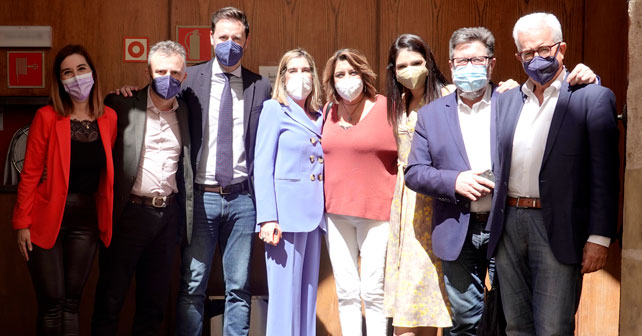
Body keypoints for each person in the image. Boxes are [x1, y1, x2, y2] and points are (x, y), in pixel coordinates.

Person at [405, 27, 598, 336]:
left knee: (514, 317)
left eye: (476, 60)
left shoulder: (513, 101)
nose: (468, 67)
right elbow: (414, 172)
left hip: (507, 226)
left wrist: (589, 78)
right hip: (458, 229)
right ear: (451, 65)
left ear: (491, 64)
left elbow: (555, 100)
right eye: (460, 61)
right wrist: (454, 180)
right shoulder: (431, 115)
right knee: (466, 321)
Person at [487, 12, 619, 335]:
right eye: (527, 53)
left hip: (558, 227)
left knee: (553, 327)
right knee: (516, 326)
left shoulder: (591, 97)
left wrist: (599, 238)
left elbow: (605, 173)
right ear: (518, 56)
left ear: (561, 49)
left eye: (543, 50)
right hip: (509, 226)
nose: (536, 59)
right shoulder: (506, 102)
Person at [177, 7, 271, 336]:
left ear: (247, 41)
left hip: (243, 200)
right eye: (223, 37)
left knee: (239, 288)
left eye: (237, 38)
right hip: (200, 200)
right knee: (193, 287)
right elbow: (157, 104)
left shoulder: (261, 86)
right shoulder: (187, 80)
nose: (229, 43)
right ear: (210, 38)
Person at [12, 44, 117, 335]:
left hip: (87, 221)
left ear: (92, 72)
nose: (76, 77)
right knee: (51, 301)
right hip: (46, 218)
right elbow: (30, 173)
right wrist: (22, 223)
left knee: (72, 301)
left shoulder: (109, 118)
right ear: (60, 81)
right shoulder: (47, 117)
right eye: (67, 73)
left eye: (81, 69)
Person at [91, 40, 191, 335]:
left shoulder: (186, 111)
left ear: (184, 75)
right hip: (128, 215)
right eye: (161, 71)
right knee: (110, 299)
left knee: (154, 304)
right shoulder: (121, 103)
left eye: (175, 72)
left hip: (167, 217)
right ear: (148, 71)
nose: (168, 78)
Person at [322, 48, 397, 336]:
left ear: (364, 75)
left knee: (373, 290)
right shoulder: (328, 111)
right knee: (347, 291)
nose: (347, 79)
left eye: (352, 72)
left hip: (377, 212)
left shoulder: (388, 107)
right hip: (336, 213)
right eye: (340, 74)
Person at [383, 33, 453, 336]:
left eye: (416, 63)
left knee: (427, 286)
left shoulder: (450, 95)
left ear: (429, 63)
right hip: (405, 204)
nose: (410, 70)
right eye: (402, 66)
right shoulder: (399, 102)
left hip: (437, 199)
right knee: (411, 292)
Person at [254, 48, 325, 336]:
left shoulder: (321, 114)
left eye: (305, 70)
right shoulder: (274, 109)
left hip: (314, 217)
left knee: (308, 298)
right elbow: (262, 166)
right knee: (284, 300)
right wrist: (267, 217)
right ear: (282, 77)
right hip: (283, 220)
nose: (300, 76)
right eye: (292, 70)